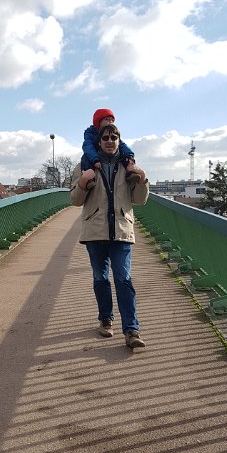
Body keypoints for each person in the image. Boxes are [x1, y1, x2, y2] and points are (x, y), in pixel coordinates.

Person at [70, 123, 149, 350]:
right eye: (105, 137)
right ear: (98, 141)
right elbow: (74, 200)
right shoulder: (85, 166)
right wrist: (83, 182)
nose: (110, 141)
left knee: (123, 279)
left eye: (114, 137)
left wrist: (142, 179)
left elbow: (140, 200)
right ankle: (106, 318)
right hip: (95, 231)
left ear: (119, 140)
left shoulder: (128, 166)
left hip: (122, 231)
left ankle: (131, 330)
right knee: (101, 278)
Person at [81, 108, 145, 183]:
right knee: (86, 158)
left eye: (112, 120)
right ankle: (89, 178)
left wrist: (129, 155)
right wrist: (95, 159)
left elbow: (122, 145)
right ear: (98, 122)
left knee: (124, 157)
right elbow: (88, 147)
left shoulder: (112, 132)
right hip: (95, 154)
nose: (110, 122)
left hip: (110, 157)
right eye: (107, 119)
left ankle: (130, 173)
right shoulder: (91, 133)